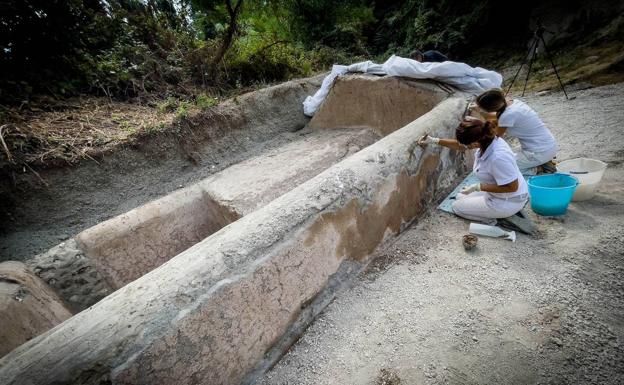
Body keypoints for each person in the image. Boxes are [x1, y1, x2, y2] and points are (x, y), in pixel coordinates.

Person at [418, 118, 528, 224]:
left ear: (475, 143)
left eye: (466, 144)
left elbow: (512, 187)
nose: (464, 146)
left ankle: (492, 219)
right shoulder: (486, 138)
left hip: (509, 200)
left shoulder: (498, 157)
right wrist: (434, 141)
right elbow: (461, 145)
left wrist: (478, 187)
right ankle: (489, 212)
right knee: (460, 196)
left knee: (457, 207)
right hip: (498, 192)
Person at [473, 88, 558, 175]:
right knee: (506, 155)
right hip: (547, 145)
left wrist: (473, 142)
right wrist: (480, 110)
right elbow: (497, 116)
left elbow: (495, 137)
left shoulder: (506, 116)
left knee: (502, 166)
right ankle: (542, 162)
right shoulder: (514, 103)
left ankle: (539, 169)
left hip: (539, 152)